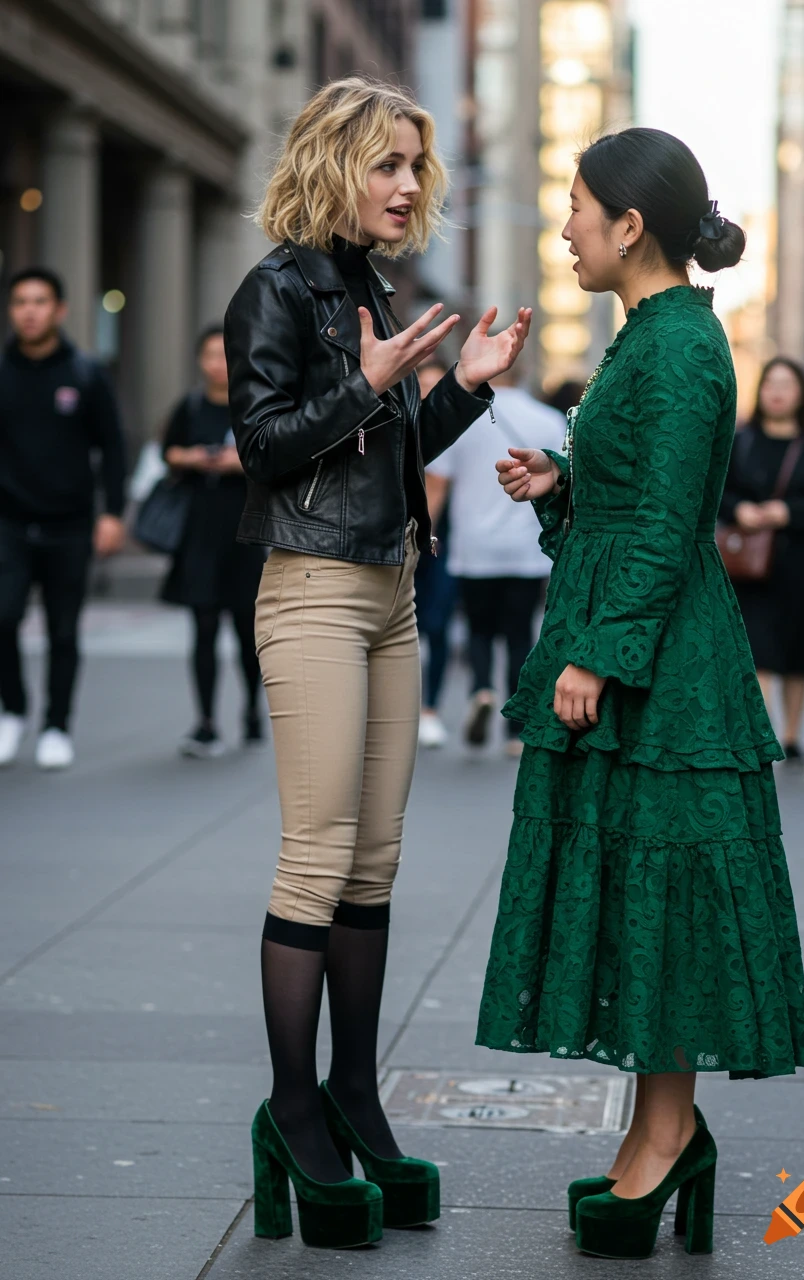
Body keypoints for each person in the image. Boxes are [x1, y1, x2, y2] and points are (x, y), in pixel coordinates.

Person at [475, 128, 804, 1261]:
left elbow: (671, 525)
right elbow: (636, 499)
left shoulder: (674, 347)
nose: (563, 225)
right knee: (642, 892)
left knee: (661, 892)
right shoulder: (650, 337)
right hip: (642, 648)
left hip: (661, 670)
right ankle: (658, 1130)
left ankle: (666, 1135)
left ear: (629, 224)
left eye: (575, 206)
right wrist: (563, 482)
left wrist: (599, 653)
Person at [224, 76, 530, 1250]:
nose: (407, 186)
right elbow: (261, 447)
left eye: (415, 165)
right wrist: (376, 379)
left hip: (392, 589)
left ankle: (354, 1090)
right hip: (308, 587)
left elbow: (382, 449)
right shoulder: (277, 287)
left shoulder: (364, 284)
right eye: (387, 163)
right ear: (335, 163)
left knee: (374, 857)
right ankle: (292, 1107)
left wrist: (459, 388)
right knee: (313, 857)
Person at [0, 267, 126, 770]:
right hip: (8, 521)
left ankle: (56, 725)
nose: (29, 310)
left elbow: (112, 448)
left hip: (71, 524)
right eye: (20, 302)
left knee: (63, 631)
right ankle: (12, 708)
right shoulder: (2, 373)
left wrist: (112, 514)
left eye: (39, 301)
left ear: (59, 310)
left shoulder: (85, 374)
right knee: (2, 616)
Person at [426, 367, 566, 754]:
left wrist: (425, 534)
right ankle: (514, 731)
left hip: (474, 547)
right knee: (520, 633)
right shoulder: (549, 420)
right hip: (526, 549)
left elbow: (437, 484)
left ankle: (482, 690)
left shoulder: (464, 420)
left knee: (479, 629)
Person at [719, 358, 804, 767]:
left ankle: (792, 735)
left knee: (799, 651)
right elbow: (718, 492)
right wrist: (744, 511)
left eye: (787, 384)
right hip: (749, 565)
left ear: (801, 393)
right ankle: (763, 729)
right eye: (771, 382)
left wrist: (787, 513)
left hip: (800, 562)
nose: (777, 391)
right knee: (758, 649)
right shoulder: (742, 441)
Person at [160, 325, 267, 758]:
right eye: (208, 355)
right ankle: (205, 722)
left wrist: (238, 463)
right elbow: (167, 451)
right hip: (200, 534)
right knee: (203, 628)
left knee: (247, 633)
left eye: (224, 355)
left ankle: (252, 712)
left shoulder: (254, 405)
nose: (216, 364)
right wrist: (196, 457)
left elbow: (273, 456)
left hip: (244, 534)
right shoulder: (188, 406)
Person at [415, 358, 456, 748]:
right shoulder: (400, 425)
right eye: (421, 388)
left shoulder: (456, 426)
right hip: (405, 540)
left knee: (438, 625)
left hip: (442, 543)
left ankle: (430, 710)